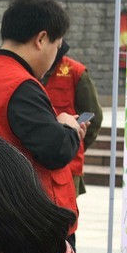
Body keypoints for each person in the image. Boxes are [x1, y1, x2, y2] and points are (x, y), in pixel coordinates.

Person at [0, 0, 85, 243]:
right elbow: (56, 150)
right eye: (57, 46)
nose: (55, 56)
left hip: (4, 215)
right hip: (36, 226)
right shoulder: (21, 86)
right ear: (41, 39)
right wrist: (69, 128)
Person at [44, 41, 102, 198]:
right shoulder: (29, 72)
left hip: (68, 165)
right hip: (36, 164)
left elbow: (93, 117)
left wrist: (74, 144)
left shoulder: (76, 72)